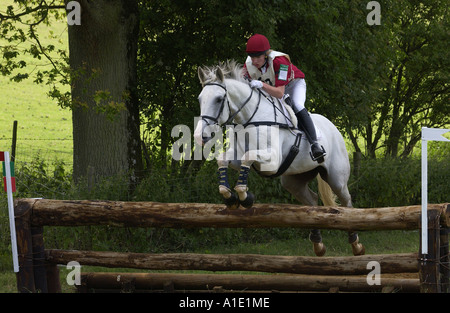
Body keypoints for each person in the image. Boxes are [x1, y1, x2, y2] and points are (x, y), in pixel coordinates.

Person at [242, 34, 326, 162]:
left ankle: (315, 144)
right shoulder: (248, 65)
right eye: (252, 57)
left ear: (265, 54)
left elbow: (280, 93)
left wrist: (261, 84)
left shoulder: (279, 61)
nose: (254, 62)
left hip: (293, 85)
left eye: (258, 57)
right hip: (272, 88)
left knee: (297, 105)